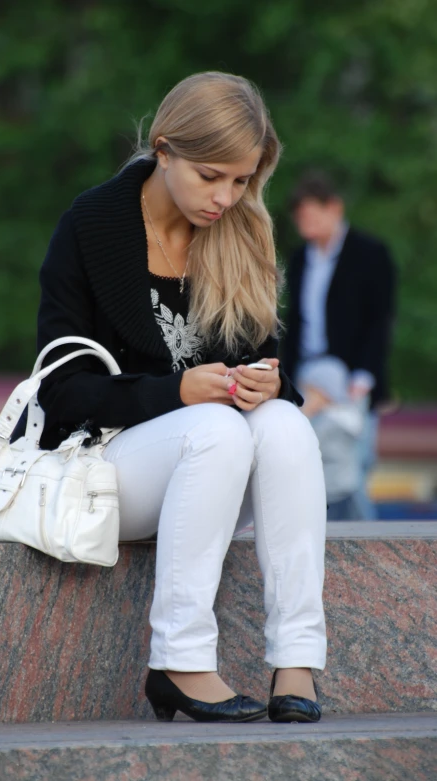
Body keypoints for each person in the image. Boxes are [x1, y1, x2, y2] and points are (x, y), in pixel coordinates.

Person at [36, 72, 326, 724]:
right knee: (214, 428)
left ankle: (296, 658)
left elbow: (266, 359)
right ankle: (179, 661)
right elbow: (60, 392)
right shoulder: (90, 226)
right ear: (163, 150)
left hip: (215, 470)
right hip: (107, 471)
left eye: (242, 179)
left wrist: (264, 383)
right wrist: (177, 391)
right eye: (210, 176)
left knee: (283, 422)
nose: (226, 196)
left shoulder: (242, 229)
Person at [281, 172, 396, 519]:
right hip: (306, 376)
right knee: (308, 464)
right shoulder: (300, 258)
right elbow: (294, 324)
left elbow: (380, 320)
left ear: (334, 208)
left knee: (353, 468)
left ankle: (372, 554)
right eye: (300, 218)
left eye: (312, 215)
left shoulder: (370, 253)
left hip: (350, 377)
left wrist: (363, 376)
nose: (306, 225)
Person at [298, 356, 365, 521]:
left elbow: (305, 445)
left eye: (309, 391)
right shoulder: (339, 415)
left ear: (325, 390)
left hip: (334, 492)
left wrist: (304, 413)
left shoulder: (332, 420)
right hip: (338, 490)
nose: (304, 396)